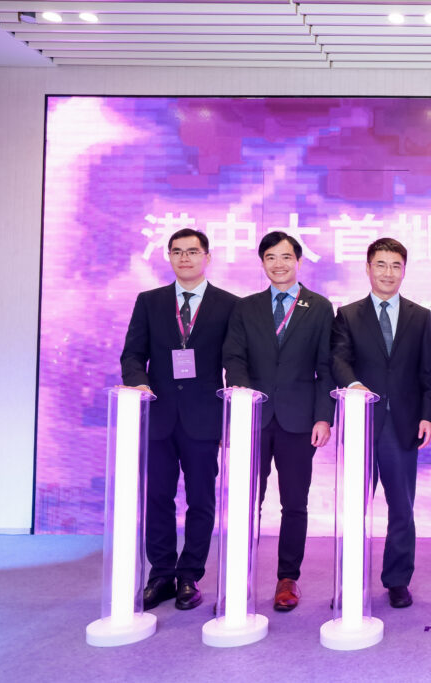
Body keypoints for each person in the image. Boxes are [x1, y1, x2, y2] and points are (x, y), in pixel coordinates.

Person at [120, 228, 238, 611]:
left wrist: (234, 408)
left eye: (192, 251)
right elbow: (133, 355)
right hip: (157, 414)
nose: (184, 258)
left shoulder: (229, 305)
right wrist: (138, 384)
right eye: (177, 252)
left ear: (208, 256)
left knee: (202, 500)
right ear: (168, 257)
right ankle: (161, 574)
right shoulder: (150, 301)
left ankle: (189, 575)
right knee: (157, 498)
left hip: (205, 417)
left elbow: (235, 360)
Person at [222, 231, 334, 612]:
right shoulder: (246, 307)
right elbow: (233, 356)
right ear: (262, 262)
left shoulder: (319, 307)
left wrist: (323, 417)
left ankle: (288, 578)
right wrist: (242, 397)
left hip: (299, 420)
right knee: (247, 500)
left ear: (298, 261)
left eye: (286, 257)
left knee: (294, 503)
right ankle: (240, 570)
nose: (279, 264)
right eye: (271, 257)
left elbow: (325, 368)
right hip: (254, 418)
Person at [331, 237, 431, 609]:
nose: (388, 272)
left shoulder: (419, 315)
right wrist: (356, 386)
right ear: (367, 268)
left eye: (395, 265)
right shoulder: (347, 314)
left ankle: (397, 579)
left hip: (403, 425)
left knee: (401, 507)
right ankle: (350, 576)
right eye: (381, 264)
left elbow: (429, 372)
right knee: (355, 506)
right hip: (362, 422)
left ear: (404, 270)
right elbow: (339, 360)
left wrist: (428, 414)